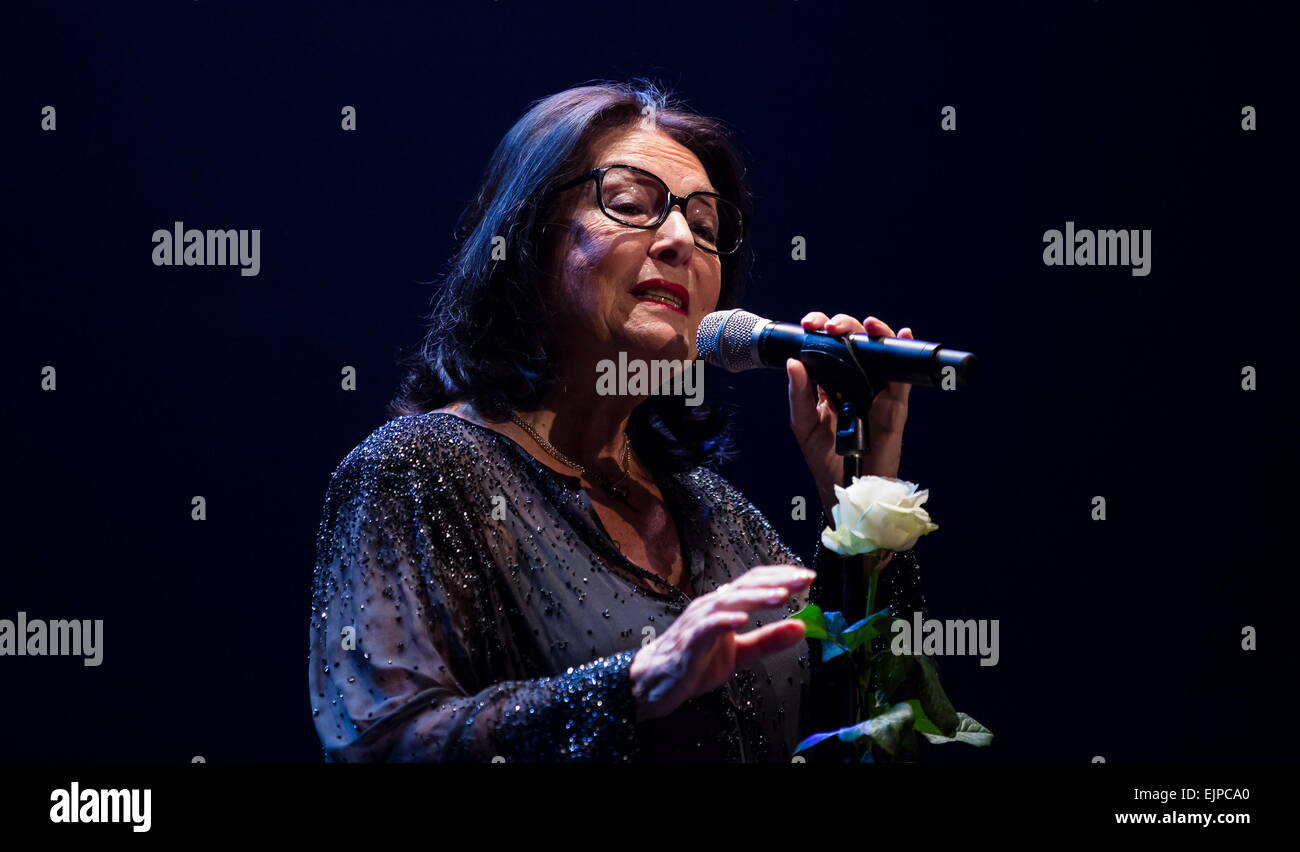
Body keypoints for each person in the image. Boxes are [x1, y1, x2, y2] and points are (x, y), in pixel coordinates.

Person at [308, 81, 929, 762]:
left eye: (706, 228)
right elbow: (382, 742)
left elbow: (869, 742)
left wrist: (865, 506)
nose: (679, 241)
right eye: (632, 205)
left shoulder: (714, 513)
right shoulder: (421, 470)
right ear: (530, 235)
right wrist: (632, 684)